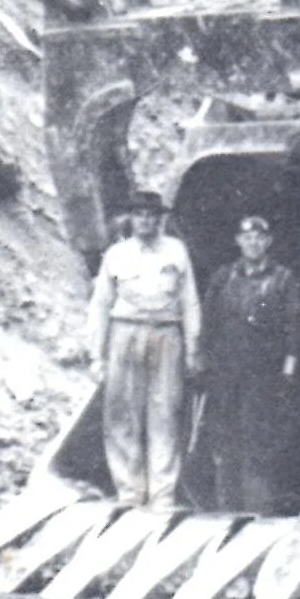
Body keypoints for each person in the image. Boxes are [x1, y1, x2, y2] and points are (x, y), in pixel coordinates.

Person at [86, 188, 201, 510]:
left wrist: (193, 346)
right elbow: (100, 306)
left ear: (160, 220)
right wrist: (97, 354)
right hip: (125, 333)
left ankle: (162, 494)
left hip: (166, 334)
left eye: (152, 216)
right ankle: (129, 492)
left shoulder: (176, 252)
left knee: (165, 414)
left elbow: (189, 301)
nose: (146, 221)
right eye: (139, 215)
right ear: (131, 219)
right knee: (123, 413)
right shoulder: (117, 255)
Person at [197, 212, 300, 514]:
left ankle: (258, 511)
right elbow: (208, 323)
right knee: (225, 437)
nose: (253, 243)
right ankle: (226, 509)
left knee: (258, 441)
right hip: (227, 373)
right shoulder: (223, 277)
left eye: (259, 237)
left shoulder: (283, 279)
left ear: (268, 242)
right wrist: (203, 360)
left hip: (263, 374)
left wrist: (289, 367)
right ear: (238, 242)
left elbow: (295, 326)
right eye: (247, 238)